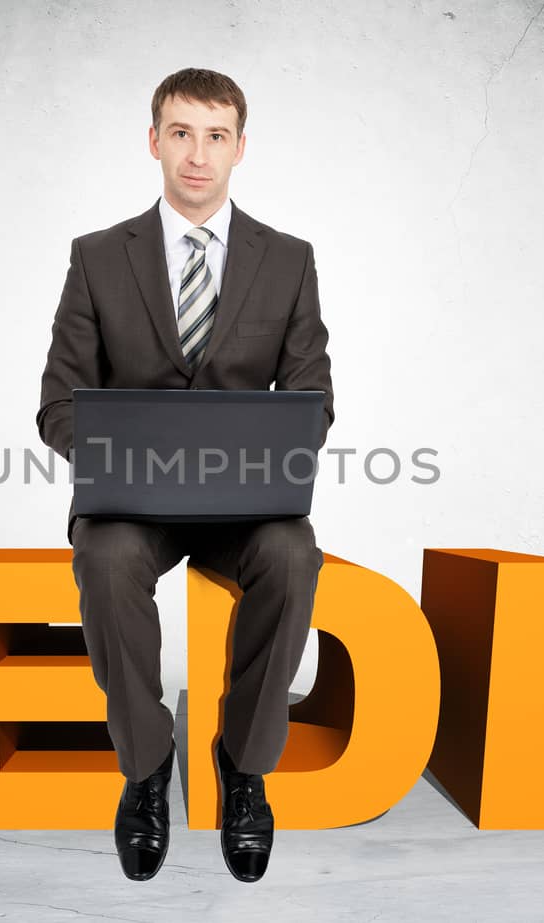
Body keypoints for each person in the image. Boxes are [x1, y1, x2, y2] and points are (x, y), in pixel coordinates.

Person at [35, 67, 335, 883]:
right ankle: (145, 765)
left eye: (214, 136)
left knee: (292, 552)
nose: (196, 155)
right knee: (104, 556)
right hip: (136, 499)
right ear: (153, 141)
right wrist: (128, 458)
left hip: (248, 504)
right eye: (180, 133)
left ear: (240, 147)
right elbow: (58, 403)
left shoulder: (290, 260)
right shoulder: (98, 258)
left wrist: (264, 457)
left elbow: (313, 399)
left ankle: (244, 764)